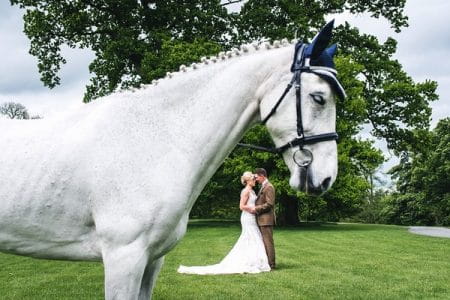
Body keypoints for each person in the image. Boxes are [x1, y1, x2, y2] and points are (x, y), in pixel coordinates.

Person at [177, 171, 270, 274]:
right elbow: (241, 206)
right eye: (253, 179)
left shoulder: (252, 191)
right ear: (248, 181)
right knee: (251, 236)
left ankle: (254, 260)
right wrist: (253, 208)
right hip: (247, 217)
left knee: (253, 237)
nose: (255, 181)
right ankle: (249, 261)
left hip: (252, 217)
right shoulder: (245, 191)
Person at [250, 168, 276, 269]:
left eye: (256, 177)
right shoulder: (263, 186)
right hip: (262, 219)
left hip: (266, 220)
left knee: (268, 242)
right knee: (264, 242)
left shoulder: (269, 187)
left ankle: (271, 264)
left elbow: (269, 204)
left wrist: (256, 208)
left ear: (262, 176)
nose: (256, 179)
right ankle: (267, 262)